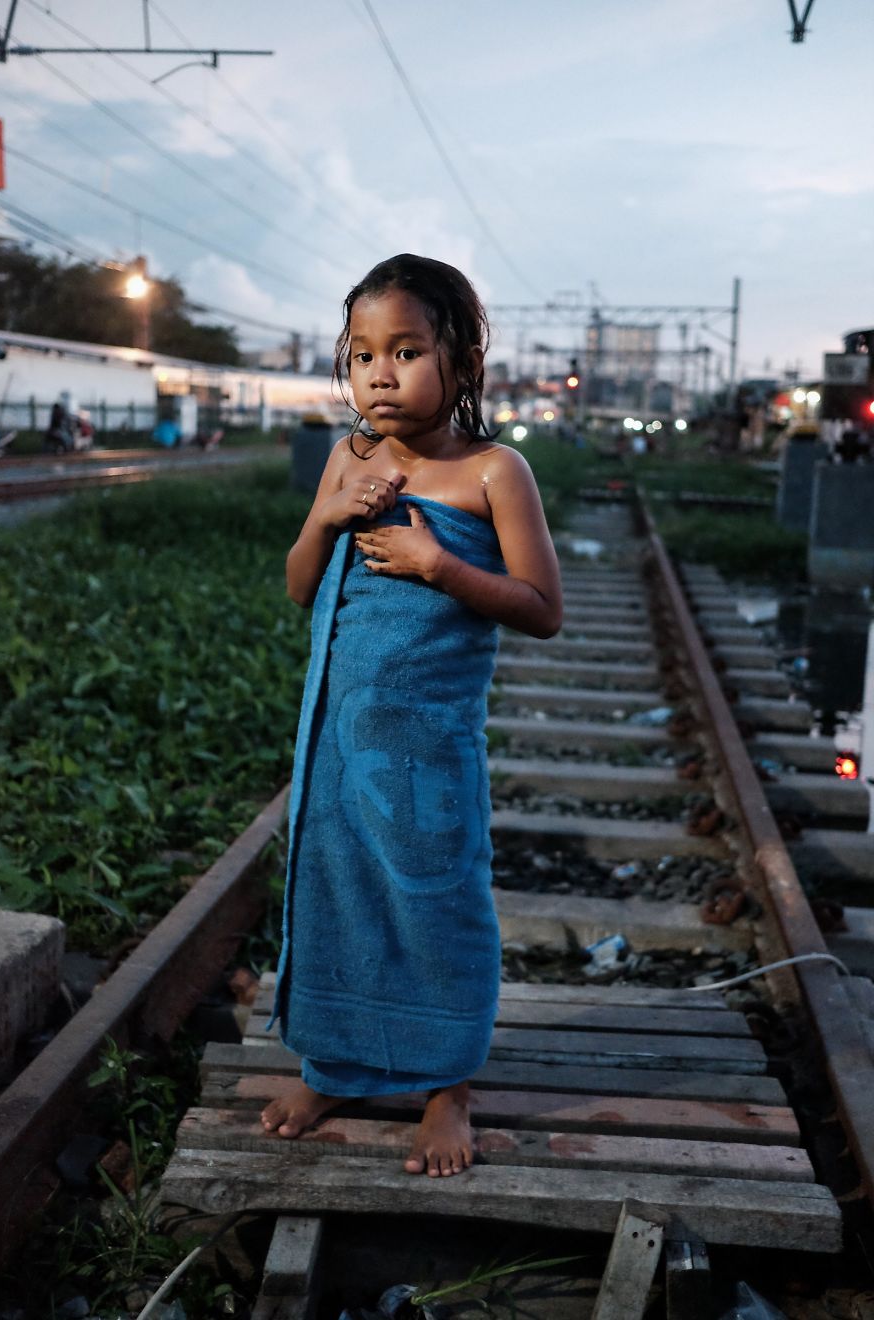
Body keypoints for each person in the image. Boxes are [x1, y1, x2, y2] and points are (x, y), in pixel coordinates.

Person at [262, 254, 563, 1177]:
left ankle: (447, 1084)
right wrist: (328, 518)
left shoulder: (492, 473)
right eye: (361, 355)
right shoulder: (349, 458)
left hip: (427, 742)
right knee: (336, 887)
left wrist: (443, 569)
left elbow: (543, 608)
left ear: (461, 359)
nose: (379, 373)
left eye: (405, 350)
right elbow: (300, 588)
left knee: (437, 895)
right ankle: (335, 1063)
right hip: (337, 739)